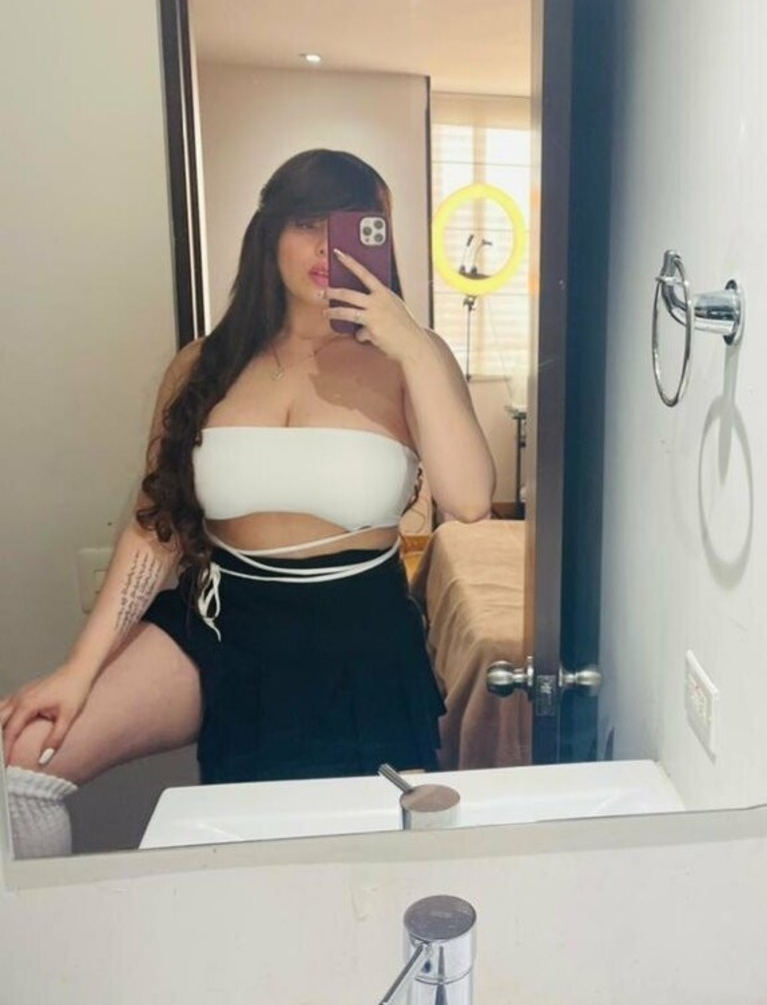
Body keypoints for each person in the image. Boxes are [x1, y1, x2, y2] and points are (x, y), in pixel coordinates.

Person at [0, 149, 495, 856]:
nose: (324, 249)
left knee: (353, 851)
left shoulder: (411, 359)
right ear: (269, 234)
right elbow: (156, 524)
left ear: (379, 238)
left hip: (358, 634)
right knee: (24, 763)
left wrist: (413, 348)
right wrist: (78, 671)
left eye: (348, 225)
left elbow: (470, 500)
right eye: (305, 223)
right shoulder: (204, 364)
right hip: (221, 618)